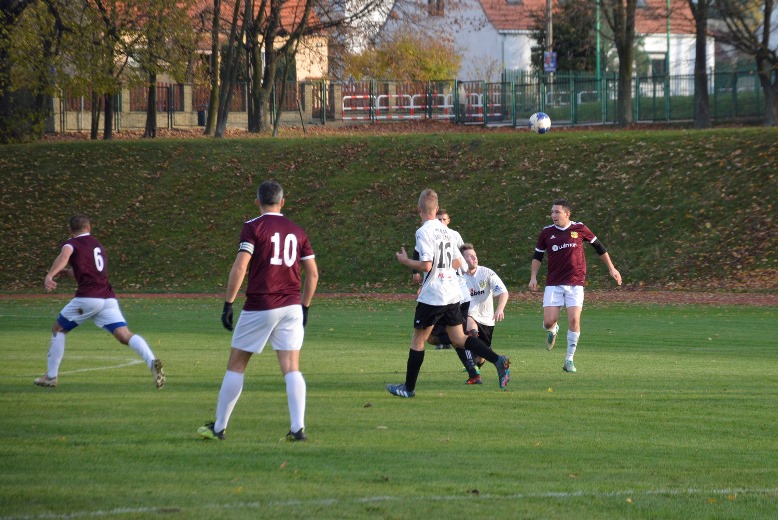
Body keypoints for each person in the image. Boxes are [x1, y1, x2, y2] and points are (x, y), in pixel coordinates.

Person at [198, 180, 318, 442]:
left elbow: (241, 267)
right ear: (282, 202)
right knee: (291, 367)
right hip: (291, 307)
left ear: (257, 202)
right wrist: (305, 306)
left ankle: (219, 428)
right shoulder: (297, 230)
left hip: (261, 305)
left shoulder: (253, 227)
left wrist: (228, 303)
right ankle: (297, 429)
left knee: (237, 363)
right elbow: (312, 273)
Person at [387, 189, 510, 398]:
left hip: (433, 295)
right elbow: (459, 262)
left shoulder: (423, 232)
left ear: (418, 209)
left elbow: (426, 265)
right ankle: (498, 360)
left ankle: (408, 388)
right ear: (436, 209)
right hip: (452, 293)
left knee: (418, 340)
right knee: (459, 338)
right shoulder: (447, 231)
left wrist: (406, 261)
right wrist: (444, 272)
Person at [34, 215, 165, 389]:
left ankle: (51, 377)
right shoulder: (97, 245)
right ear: (88, 227)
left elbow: (64, 256)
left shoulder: (71, 243)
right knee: (124, 335)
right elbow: (92, 271)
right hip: (107, 298)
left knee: (58, 329)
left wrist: (50, 275)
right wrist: (70, 273)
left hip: (88, 297)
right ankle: (151, 361)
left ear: (70, 230)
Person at [528, 199, 622, 373]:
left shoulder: (579, 228)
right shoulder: (547, 232)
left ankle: (569, 360)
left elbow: (599, 248)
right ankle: (553, 329)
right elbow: (537, 256)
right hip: (554, 283)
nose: (553, 215)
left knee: (574, 320)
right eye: (552, 212)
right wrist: (533, 277)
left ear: (567, 213)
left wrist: (612, 268)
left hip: (575, 283)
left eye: (557, 212)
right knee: (548, 322)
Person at [460, 243, 510, 383]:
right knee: (471, 330)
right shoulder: (458, 276)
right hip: (469, 314)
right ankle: (472, 370)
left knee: (481, 356)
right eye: (470, 256)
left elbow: (503, 292)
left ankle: (476, 365)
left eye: (475, 255)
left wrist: (500, 309)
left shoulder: (487, 273)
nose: (474, 258)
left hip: (487, 319)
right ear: (462, 259)